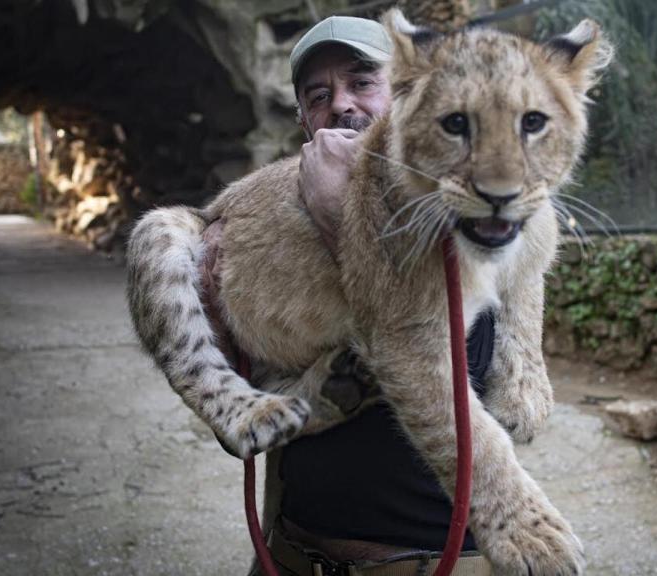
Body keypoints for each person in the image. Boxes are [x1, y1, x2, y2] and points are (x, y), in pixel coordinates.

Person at [198, 16, 496, 576]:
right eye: (319, 95)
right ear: (304, 122)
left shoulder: (461, 206)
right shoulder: (278, 235)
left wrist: (342, 215)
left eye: (362, 82)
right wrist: (215, 304)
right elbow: (240, 427)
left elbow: (463, 366)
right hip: (288, 555)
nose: (340, 105)